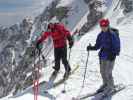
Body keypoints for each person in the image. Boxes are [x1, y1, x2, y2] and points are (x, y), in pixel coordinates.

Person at [87, 19, 120, 92]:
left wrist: (114, 54)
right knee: (102, 71)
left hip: (110, 56)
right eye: (102, 26)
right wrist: (91, 48)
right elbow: (98, 45)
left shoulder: (112, 34)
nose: (103, 27)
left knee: (108, 72)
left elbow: (117, 45)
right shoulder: (100, 35)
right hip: (103, 55)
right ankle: (105, 84)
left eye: (105, 26)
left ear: (108, 25)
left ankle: (111, 87)